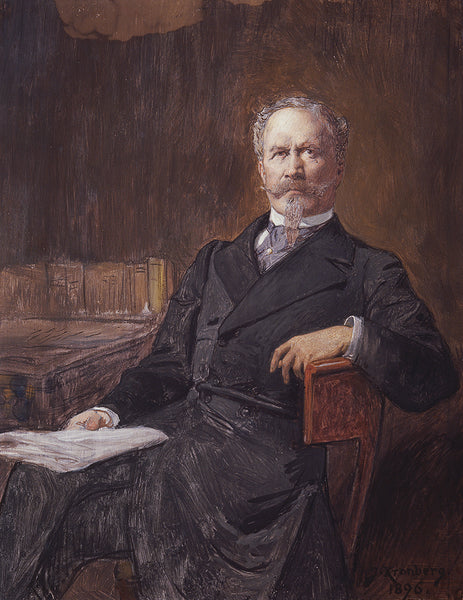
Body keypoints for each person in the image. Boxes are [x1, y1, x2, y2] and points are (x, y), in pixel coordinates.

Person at [0, 97, 458, 600]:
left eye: (310, 152)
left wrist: (350, 336)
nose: (294, 168)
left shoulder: (368, 268)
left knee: (170, 475)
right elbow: (168, 365)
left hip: (264, 476)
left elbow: (435, 374)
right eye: (280, 153)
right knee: (37, 478)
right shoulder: (215, 260)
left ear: (339, 167)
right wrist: (108, 413)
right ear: (261, 169)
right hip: (173, 438)